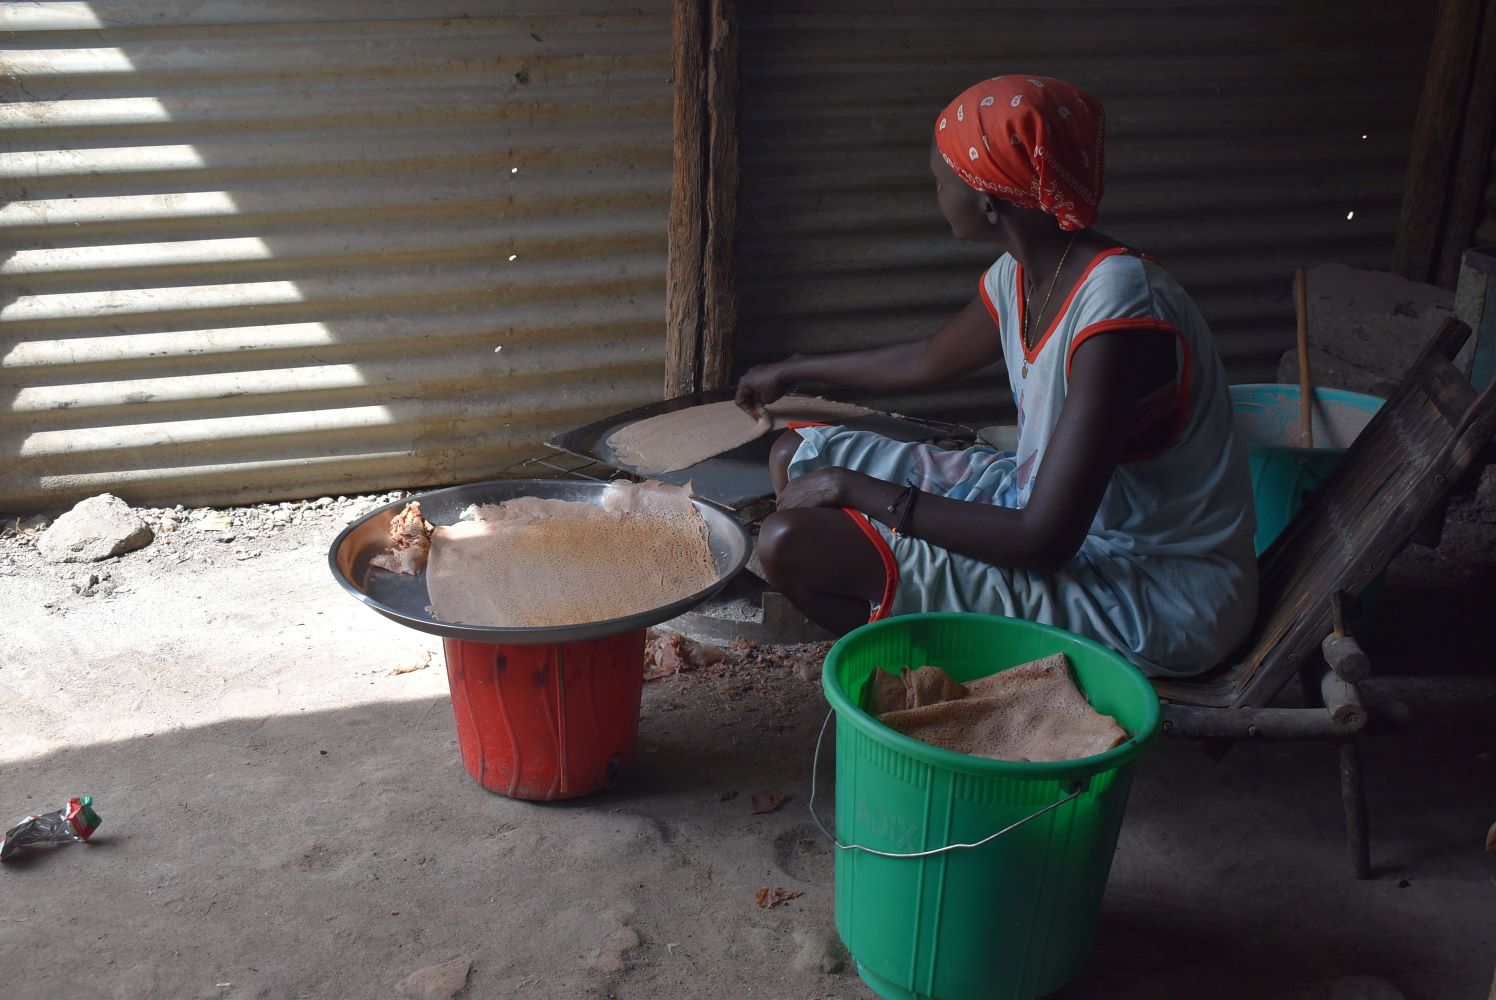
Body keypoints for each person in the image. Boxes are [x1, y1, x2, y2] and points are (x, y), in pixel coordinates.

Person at [736, 75, 1257, 677]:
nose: (935, 194)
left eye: (940, 183)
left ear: (990, 202)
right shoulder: (1024, 271)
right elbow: (927, 358)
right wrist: (796, 369)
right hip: (1044, 512)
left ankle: (945, 672)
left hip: (1147, 589)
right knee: (794, 451)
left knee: (787, 543)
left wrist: (852, 490)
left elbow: (1043, 541)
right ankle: (920, 621)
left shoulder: (1119, 312)